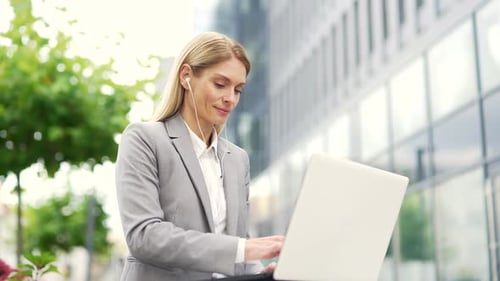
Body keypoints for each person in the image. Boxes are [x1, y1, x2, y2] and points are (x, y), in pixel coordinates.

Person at [115, 31, 284, 281]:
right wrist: (243, 249)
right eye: (220, 84)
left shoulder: (237, 160)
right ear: (186, 76)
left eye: (238, 90)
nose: (230, 98)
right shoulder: (144, 140)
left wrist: (262, 271)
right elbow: (145, 235)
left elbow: (238, 244)